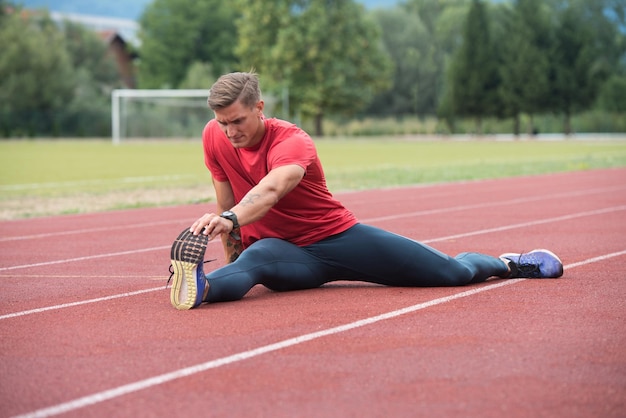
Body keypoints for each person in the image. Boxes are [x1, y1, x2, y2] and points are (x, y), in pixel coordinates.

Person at [168, 71, 564, 310]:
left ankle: (509, 263)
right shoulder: (213, 137)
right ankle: (201, 287)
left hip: (337, 237)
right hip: (282, 252)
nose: (229, 132)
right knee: (250, 265)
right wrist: (228, 237)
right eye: (222, 123)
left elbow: (270, 190)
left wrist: (231, 216)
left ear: (260, 108)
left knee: (452, 272)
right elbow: (227, 206)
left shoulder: (293, 141)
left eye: (237, 121)